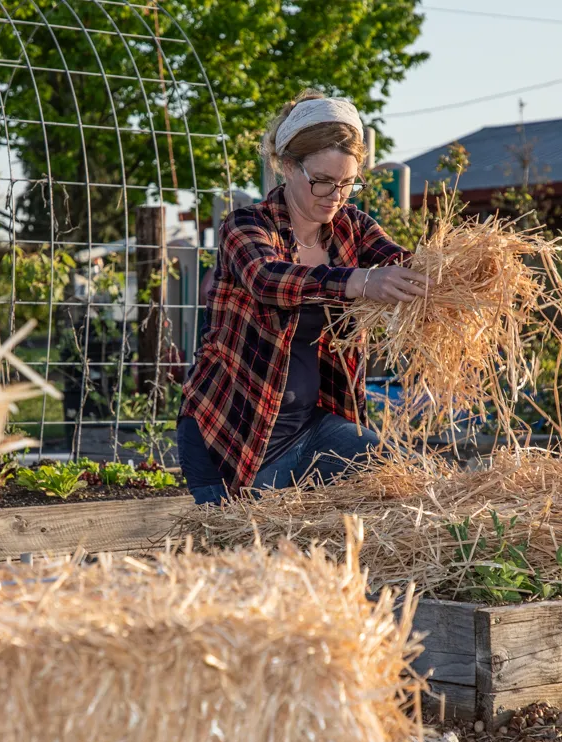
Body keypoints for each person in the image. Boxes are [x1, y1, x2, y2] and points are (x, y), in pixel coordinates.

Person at [176, 89, 431, 505]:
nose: (335, 195)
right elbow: (269, 280)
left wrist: (455, 274)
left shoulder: (353, 228)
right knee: (253, 558)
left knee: (405, 483)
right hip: (231, 434)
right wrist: (361, 282)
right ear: (287, 167)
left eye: (348, 183)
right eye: (323, 182)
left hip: (313, 428)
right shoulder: (246, 226)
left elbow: (407, 266)